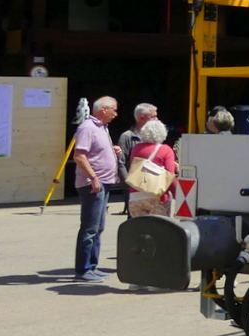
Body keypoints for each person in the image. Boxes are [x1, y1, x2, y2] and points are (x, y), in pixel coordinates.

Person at [71, 96, 120, 282]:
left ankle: (92, 266)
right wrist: (93, 178)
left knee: (98, 227)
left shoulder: (102, 128)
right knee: (90, 228)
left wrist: (113, 150)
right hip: (93, 185)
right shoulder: (87, 128)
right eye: (113, 110)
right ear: (103, 109)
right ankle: (83, 270)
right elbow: (80, 156)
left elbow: (95, 152)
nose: (115, 114)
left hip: (103, 183)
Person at [126, 119, 178, 218]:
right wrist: (177, 195)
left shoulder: (136, 148)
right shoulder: (166, 150)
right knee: (158, 231)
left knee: (141, 232)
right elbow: (169, 176)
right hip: (157, 198)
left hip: (135, 196)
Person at [116, 103, 158, 214]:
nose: (156, 119)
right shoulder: (127, 137)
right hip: (134, 187)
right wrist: (128, 184)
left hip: (153, 186)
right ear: (141, 118)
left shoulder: (156, 137)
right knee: (135, 220)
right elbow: (120, 162)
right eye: (153, 117)